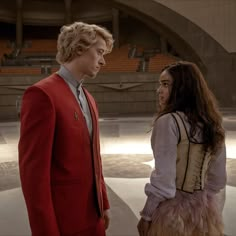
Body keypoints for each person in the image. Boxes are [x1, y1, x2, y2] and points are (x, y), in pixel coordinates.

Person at [18, 22, 114, 236]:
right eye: (99, 52)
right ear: (79, 48)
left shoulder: (89, 98)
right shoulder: (42, 95)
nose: (103, 60)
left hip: (94, 216)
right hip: (64, 221)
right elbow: (34, 176)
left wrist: (103, 202)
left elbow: (94, 159)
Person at [137, 61, 226, 236]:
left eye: (165, 84)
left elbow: (164, 180)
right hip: (205, 214)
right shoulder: (212, 124)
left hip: (172, 214)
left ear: (183, 88)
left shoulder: (168, 122)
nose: (159, 91)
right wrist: (203, 203)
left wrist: (146, 215)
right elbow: (218, 179)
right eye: (160, 84)